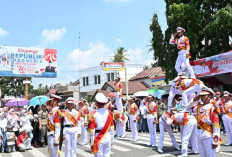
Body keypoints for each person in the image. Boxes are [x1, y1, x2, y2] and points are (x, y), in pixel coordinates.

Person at [187, 87, 220, 157]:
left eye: (203, 96)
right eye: (200, 96)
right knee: (202, 155)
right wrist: (194, 99)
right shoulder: (198, 107)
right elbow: (188, 108)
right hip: (199, 134)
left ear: (209, 96)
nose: (201, 97)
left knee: (210, 155)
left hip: (208, 134)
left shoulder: (212, 108)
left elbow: (216, 125)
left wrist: (215, 140)